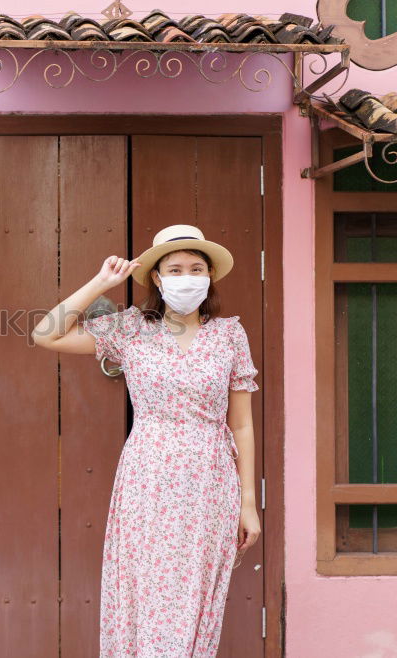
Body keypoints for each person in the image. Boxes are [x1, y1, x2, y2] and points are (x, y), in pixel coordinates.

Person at [30, 223, 261, 657]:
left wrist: (248, 503)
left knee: (195, 598)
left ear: (210, 276)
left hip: (210, 481)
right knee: (147, 590)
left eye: (196, 268)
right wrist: (102, 282)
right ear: (156, 277)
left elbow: (242, 425)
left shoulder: (230, 335)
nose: (186, 277)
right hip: (148, 477)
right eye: (174, 269)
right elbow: (46, 334)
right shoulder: (131, 329)